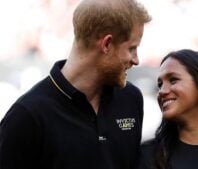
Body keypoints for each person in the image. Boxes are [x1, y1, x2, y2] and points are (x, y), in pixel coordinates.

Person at [0, 0, 151, 169]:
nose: (136, 60)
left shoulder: (131, 99)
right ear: (107, 44)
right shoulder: (27, 116)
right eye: (132, 48)